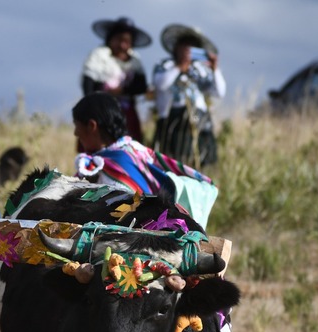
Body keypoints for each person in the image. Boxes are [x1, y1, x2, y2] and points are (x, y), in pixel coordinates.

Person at [72, 91, 218, 228]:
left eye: (77, 127)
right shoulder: (137, 151)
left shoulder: (105, 166)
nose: (75, 132)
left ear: (92, 126)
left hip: (135, 234)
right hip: (160, 226)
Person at [152, 23, 226, 167]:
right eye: (185, 46)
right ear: (176, 47)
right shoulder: (166, 65)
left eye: (193, 47)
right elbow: (160, 84)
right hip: (172, 120)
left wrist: (215, 69)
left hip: (198, 117)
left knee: (201, 159)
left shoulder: (201, 70)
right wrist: (179, 67)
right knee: (173, 161)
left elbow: (219, 92)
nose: (188, 50)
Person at [80, 16, 152, 144]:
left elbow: (141, 86)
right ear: (111, 39)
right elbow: (88, 83)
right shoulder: (99, 55)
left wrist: (122, 90)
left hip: (126, 112)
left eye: (127, 41)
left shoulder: (135, 60)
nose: (122, 45)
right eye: (119, 40)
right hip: (101, 111)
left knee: (128, 147)